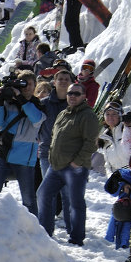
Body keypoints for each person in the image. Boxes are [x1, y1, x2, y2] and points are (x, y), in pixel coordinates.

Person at [38, 82, 99, 245]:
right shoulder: (63, 113)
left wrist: (76, 162)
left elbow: (91, 143)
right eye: (70, 93)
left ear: (84, 96)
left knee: (75, 202)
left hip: (75, 168)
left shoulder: (88, 116)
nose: (72, 96)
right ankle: (45, 231)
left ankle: (76, 237)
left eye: (76, 94)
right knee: (43, 194)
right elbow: (54, 136)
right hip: (56, 165)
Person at [0, 72, 44, 216]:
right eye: (22, 83)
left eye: (29, 84)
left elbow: (36, 119)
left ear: (34, 86)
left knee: (29, 200)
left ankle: (34, 231)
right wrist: (0, 102)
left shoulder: (38, 104)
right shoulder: (9, 103)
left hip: (24, 159)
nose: (25, 87)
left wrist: (20, 98)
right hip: (3, 153)